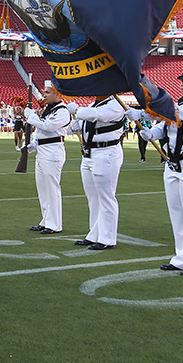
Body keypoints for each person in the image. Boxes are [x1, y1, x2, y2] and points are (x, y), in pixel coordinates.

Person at [131, 67, 183, 275]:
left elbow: (171, 113)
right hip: (174, 163)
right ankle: (180, 257)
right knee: (177, 213)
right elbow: (168, 125)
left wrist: (142, 113)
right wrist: (153, 132)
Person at [68, 94, 127, 251]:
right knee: (93, 198)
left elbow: (98, 116)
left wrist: (77, 110)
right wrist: (77, 126)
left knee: (106, 197)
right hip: (89, 153)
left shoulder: (116, 104)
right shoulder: (94, 104)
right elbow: (89, 122)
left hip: (106, 152)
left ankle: (107, 238)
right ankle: (94, 234)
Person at [24, 81, 72, 235]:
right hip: (43, 150)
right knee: (43, 189)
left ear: (57, 94)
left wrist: (31, 117)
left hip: (53, 152)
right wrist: (34, 143)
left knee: (52, 189)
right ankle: (45, 220)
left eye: (47, 92)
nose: (43, 95)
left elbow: (49, 127)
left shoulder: (63, 111)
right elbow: (41, 132)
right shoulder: (49, 110)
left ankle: (54, 224)